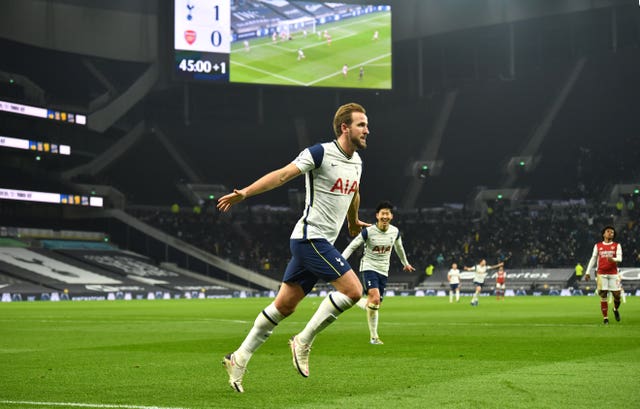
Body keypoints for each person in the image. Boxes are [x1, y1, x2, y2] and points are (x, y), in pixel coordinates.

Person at [218, 102, 371, 393]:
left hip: (321, 241)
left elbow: (355, 192)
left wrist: (352, 221)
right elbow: (283, 174)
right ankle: (303, 341)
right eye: (361, 124)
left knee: (284, 306)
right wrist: (246, 193)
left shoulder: (358, 162)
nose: (367, 129)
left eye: (366, 124)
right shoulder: (320, 153)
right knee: (353, 291)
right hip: (309, 238)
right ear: (344, 127)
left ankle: (239, 357)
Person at [342, 201, 415, 345]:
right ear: (377, 215)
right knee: (374, 299)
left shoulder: (395, 232)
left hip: (383, 270)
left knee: (375, 304)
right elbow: (352, 246)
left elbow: (399, 248)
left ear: (391, 216)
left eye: (388, 213)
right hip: (368, 267)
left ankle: (355, 299)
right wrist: (340, 261)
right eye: (383, 213)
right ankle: (374, 337)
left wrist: (405, 264)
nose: (385, 216)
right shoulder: (368, 231)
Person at [584, 226, 622, 324]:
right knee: (603, 294)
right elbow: (593, 258)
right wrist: (587, 272)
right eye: (608, 231)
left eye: (612, 232)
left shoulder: (617, 245)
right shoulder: (598, 245)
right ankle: (605, 318)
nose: (610, 233)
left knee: (617, 296)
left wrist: (612, 259)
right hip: (601, 273)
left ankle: (615, 309)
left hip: (614, 274)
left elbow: (620, 259)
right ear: (603, 234)